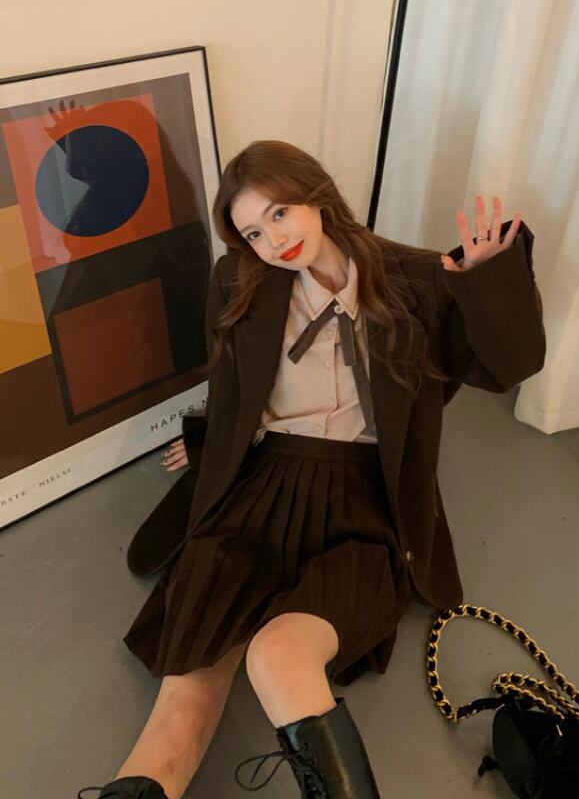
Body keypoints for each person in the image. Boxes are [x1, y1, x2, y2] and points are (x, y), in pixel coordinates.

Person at [78, 140, 545, 799]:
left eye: (279, 213)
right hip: (257, 488)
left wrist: (487, 281)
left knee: (280, 654)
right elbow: (233, 383)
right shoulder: (237, 282)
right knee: (180, 702)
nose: (272, 240)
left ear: (317, 195)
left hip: (365, 501)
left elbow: (508, 367)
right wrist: (210, 437)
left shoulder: (417, 280)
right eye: (252, 231)